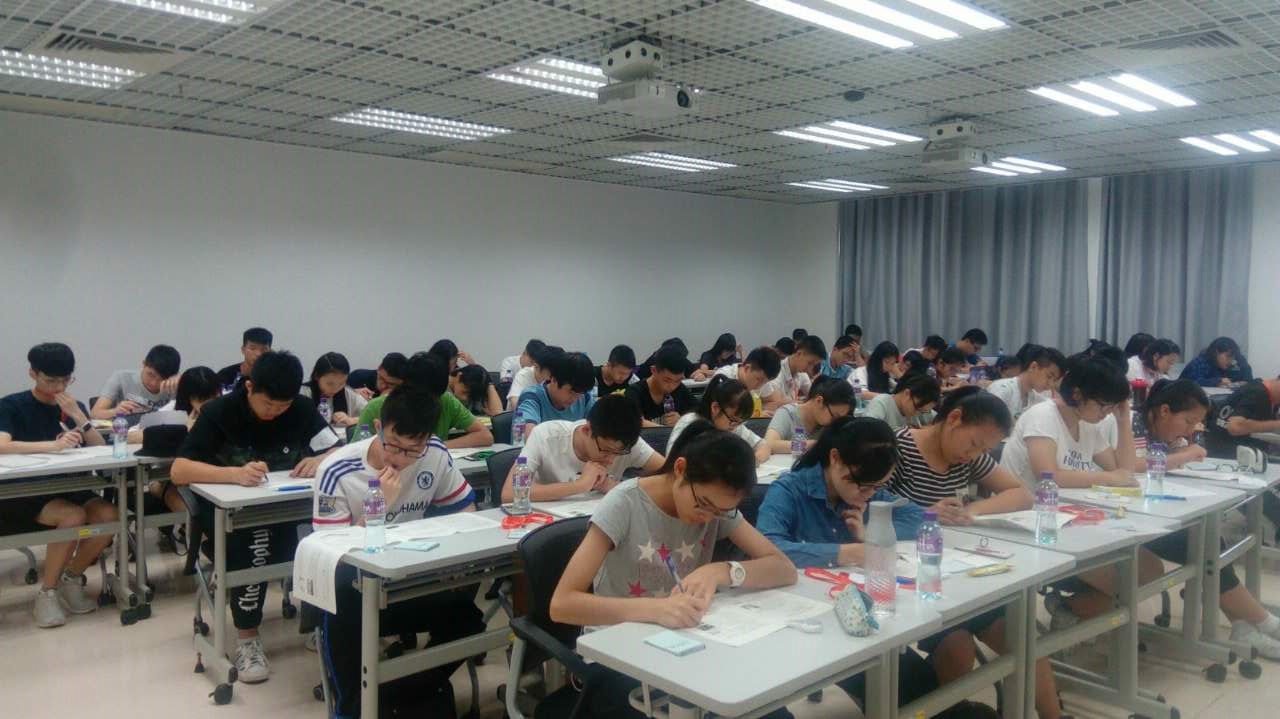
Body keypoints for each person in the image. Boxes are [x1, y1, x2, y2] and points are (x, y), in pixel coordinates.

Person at [549, 420, 798, 719]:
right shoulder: (625, 504)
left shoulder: (716, 508)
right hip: (619, 651)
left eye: (720, 512)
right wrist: (656, 610)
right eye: (703, 505)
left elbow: (783, 568)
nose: (708, 519)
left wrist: (721, 571)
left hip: (686, 645)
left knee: (765, 710)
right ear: (680, 469)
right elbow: (562, 604)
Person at [757, 418, 1002, 718]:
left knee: (920, 687)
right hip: (804, 625)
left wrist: (872, 529)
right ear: (834, 458)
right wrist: (846, 552)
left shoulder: (871, 489)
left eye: (876, 487)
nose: (867, 494)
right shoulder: (789, 490)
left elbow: (918, 517)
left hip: (859, 620)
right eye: (859, 484)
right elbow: (769, 548)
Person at [1053, 379, 1280, 658]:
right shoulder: (1132, 422)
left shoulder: (1167, 433)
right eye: (1188, 421)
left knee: (1207, 541)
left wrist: (1183, 449)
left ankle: (1246, 624)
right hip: (1109, 517)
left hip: (1142, 513)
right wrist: (1182, 455)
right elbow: (1133, 467)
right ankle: (1263, 623)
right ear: (1164, 411)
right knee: (1202, 545)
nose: (1190, 429)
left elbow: (1167, 462)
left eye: (1196, 423)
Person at [887, 388, 1059, 718]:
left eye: (983, 450)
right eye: (974, 444)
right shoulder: (897, 448)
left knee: (1025, 640)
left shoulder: (967, 457)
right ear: (954, 419)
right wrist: (925, 513)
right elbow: (870, 510)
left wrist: (972, 510)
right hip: (912, 581)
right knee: (958, 646)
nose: (973, 455)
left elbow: (1021, 495)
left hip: (959, 574)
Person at [171, 351, 341, 682]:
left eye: (282, 406)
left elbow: (337, 448)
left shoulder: (301, 408)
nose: (274, 412)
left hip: (288, 507)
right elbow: (179, 470)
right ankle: (247, 639)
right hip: (234, 514)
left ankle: (317, 624)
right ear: (249, 387)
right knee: (254, 539)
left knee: (326, 538)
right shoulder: (220, 412)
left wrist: (322, 460)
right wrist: (233, 474)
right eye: (268, 404)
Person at [312, 387, 485, 715]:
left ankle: (402, 694)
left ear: (428, 439)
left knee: (469, 620)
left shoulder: (434, 453)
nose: (401, 459)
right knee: (344, 616)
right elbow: (329, 554)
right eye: (393, 445)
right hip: (351, 591)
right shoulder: (337, 469)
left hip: (408, 580)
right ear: (378, 427)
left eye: (412, 450)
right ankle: (356, 707)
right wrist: (378, 507)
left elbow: (465, 510)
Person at [0, 343, 117, 629]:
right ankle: (47, 593)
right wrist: (52, 446)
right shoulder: (11, 405)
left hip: (71, 484)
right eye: (51, 380)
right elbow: (2, 445)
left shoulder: (72, 407)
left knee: (109, 516)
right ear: (33, 374)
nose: (59, 387)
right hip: (27, 490)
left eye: (66, 380)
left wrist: (80, 418)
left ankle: (71, 578)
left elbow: (100, 449)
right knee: (72, 517)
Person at [999, 354, 1135, 491]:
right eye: (1104, 406)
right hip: (1025, 503)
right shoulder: (1042, 416)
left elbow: (1124, 472)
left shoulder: (1086, 424)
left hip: (1060, 502)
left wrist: (1123, 421)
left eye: (1112, 407)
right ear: (1077, 395)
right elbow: (1048, 476)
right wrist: (1109, 478)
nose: (1108, 413)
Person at [500, 395, 664, 503]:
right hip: (550, 527)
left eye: (619, 453)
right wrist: (580, 485)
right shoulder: (546, 435)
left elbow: (671, 474)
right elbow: (509, 493)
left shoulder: (627, 443)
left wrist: (616, 487)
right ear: (587, 430)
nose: (611, 460)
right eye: (605, 450)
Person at [357, 353, 494, 449]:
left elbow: (485, 436)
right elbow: (357, 455)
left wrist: (437, 448)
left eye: (433, 400)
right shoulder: (376, 408)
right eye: (420, 399)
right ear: (405, 386)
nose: (427, 407)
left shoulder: (446, 401)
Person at [668, 375, 770, 464]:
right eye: (733, 420)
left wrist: (754, 460)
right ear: (715, 408)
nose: (735, 427)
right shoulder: (689, 423)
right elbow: (672, 462)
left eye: (740, 422)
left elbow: (762, 445)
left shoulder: (733, 425)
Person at [764, 376, 854, 453]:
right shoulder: (787, 414)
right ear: (819, 401)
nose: (835, 422)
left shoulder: (826, 425)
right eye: (834, 416)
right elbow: (769, 444)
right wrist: (804, 446)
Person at [90, 344, 182, 419]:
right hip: (127, 433)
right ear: (144, 364)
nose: (153, 383)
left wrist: (183, 382)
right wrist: (115, 411)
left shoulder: (175, 384)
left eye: (161, 380)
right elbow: (94, 414)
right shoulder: (121, 378)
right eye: (151, 375)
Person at [515, 351, 596, 435]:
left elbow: (597, 431)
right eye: (571, 392)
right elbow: (529, 436)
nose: (575, 399)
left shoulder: (585, 398)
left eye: (580, 394)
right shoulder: (532, 397)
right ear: (554, 380)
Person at [1203, 376, 1280, 460]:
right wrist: (1275, 425)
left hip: (1231, 450)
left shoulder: (1260, 388)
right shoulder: (1257, 393)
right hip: (1229, 455)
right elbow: (1235, 427)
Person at [624, 345, 696, 428]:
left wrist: (682, 419)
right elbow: (637, 422)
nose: (672, 386)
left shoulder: (679, 388)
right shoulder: (634, 392)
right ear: (653, 370)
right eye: (667, 380)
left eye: (678, 381)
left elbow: (699, 411)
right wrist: (668, 430)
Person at [987, 345, 1066, 420]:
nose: (1051, 384)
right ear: (1033, 367)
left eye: (1054, 380)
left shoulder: (1037, 400)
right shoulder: (1002, 389)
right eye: (1049, 376)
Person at [299, 352, 368, 430]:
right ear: (316, 376)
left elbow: (374, 415)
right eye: (330, 384)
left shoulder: (348, 394)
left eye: (341, 383)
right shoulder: (303, 394)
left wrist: (351, 420)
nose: (335, 389)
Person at [762, 335, 827, 412]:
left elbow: (814, 395)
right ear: (799, 354)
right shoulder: (777, 373)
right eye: (809, 363)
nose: (810, 369)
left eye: (814, 365)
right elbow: (775, 403)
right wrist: (799, 403)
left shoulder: (802, 374)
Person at [863, 373, 940, 430]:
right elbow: (867, 432)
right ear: (907, 394)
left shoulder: (921, 408)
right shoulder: (881, 403)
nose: (917, 414)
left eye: (924, 412)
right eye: (917, 409)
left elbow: (941, 422)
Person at [216, 327, 272, 394]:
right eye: (252, 348)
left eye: (264, 349)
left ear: (270, 352)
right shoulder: (225, 375)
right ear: (243, 349)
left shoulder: (275, 377)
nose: (258, 354)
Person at [1180, 337, 1253, 388]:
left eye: (1233, 357)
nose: (1230, 361)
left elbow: (1248, 380)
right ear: (1216, 352)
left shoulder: (1232, 363)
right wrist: (1218, 381)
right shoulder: (1200, 362)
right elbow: (1193, 382)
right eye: (1228, 356)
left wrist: (1241, 361)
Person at [507, 344, 563, 411]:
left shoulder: (559, 378)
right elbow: (515, 403)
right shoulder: (523, 375)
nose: (555, 377)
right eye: (552, 372)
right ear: (536, 367)